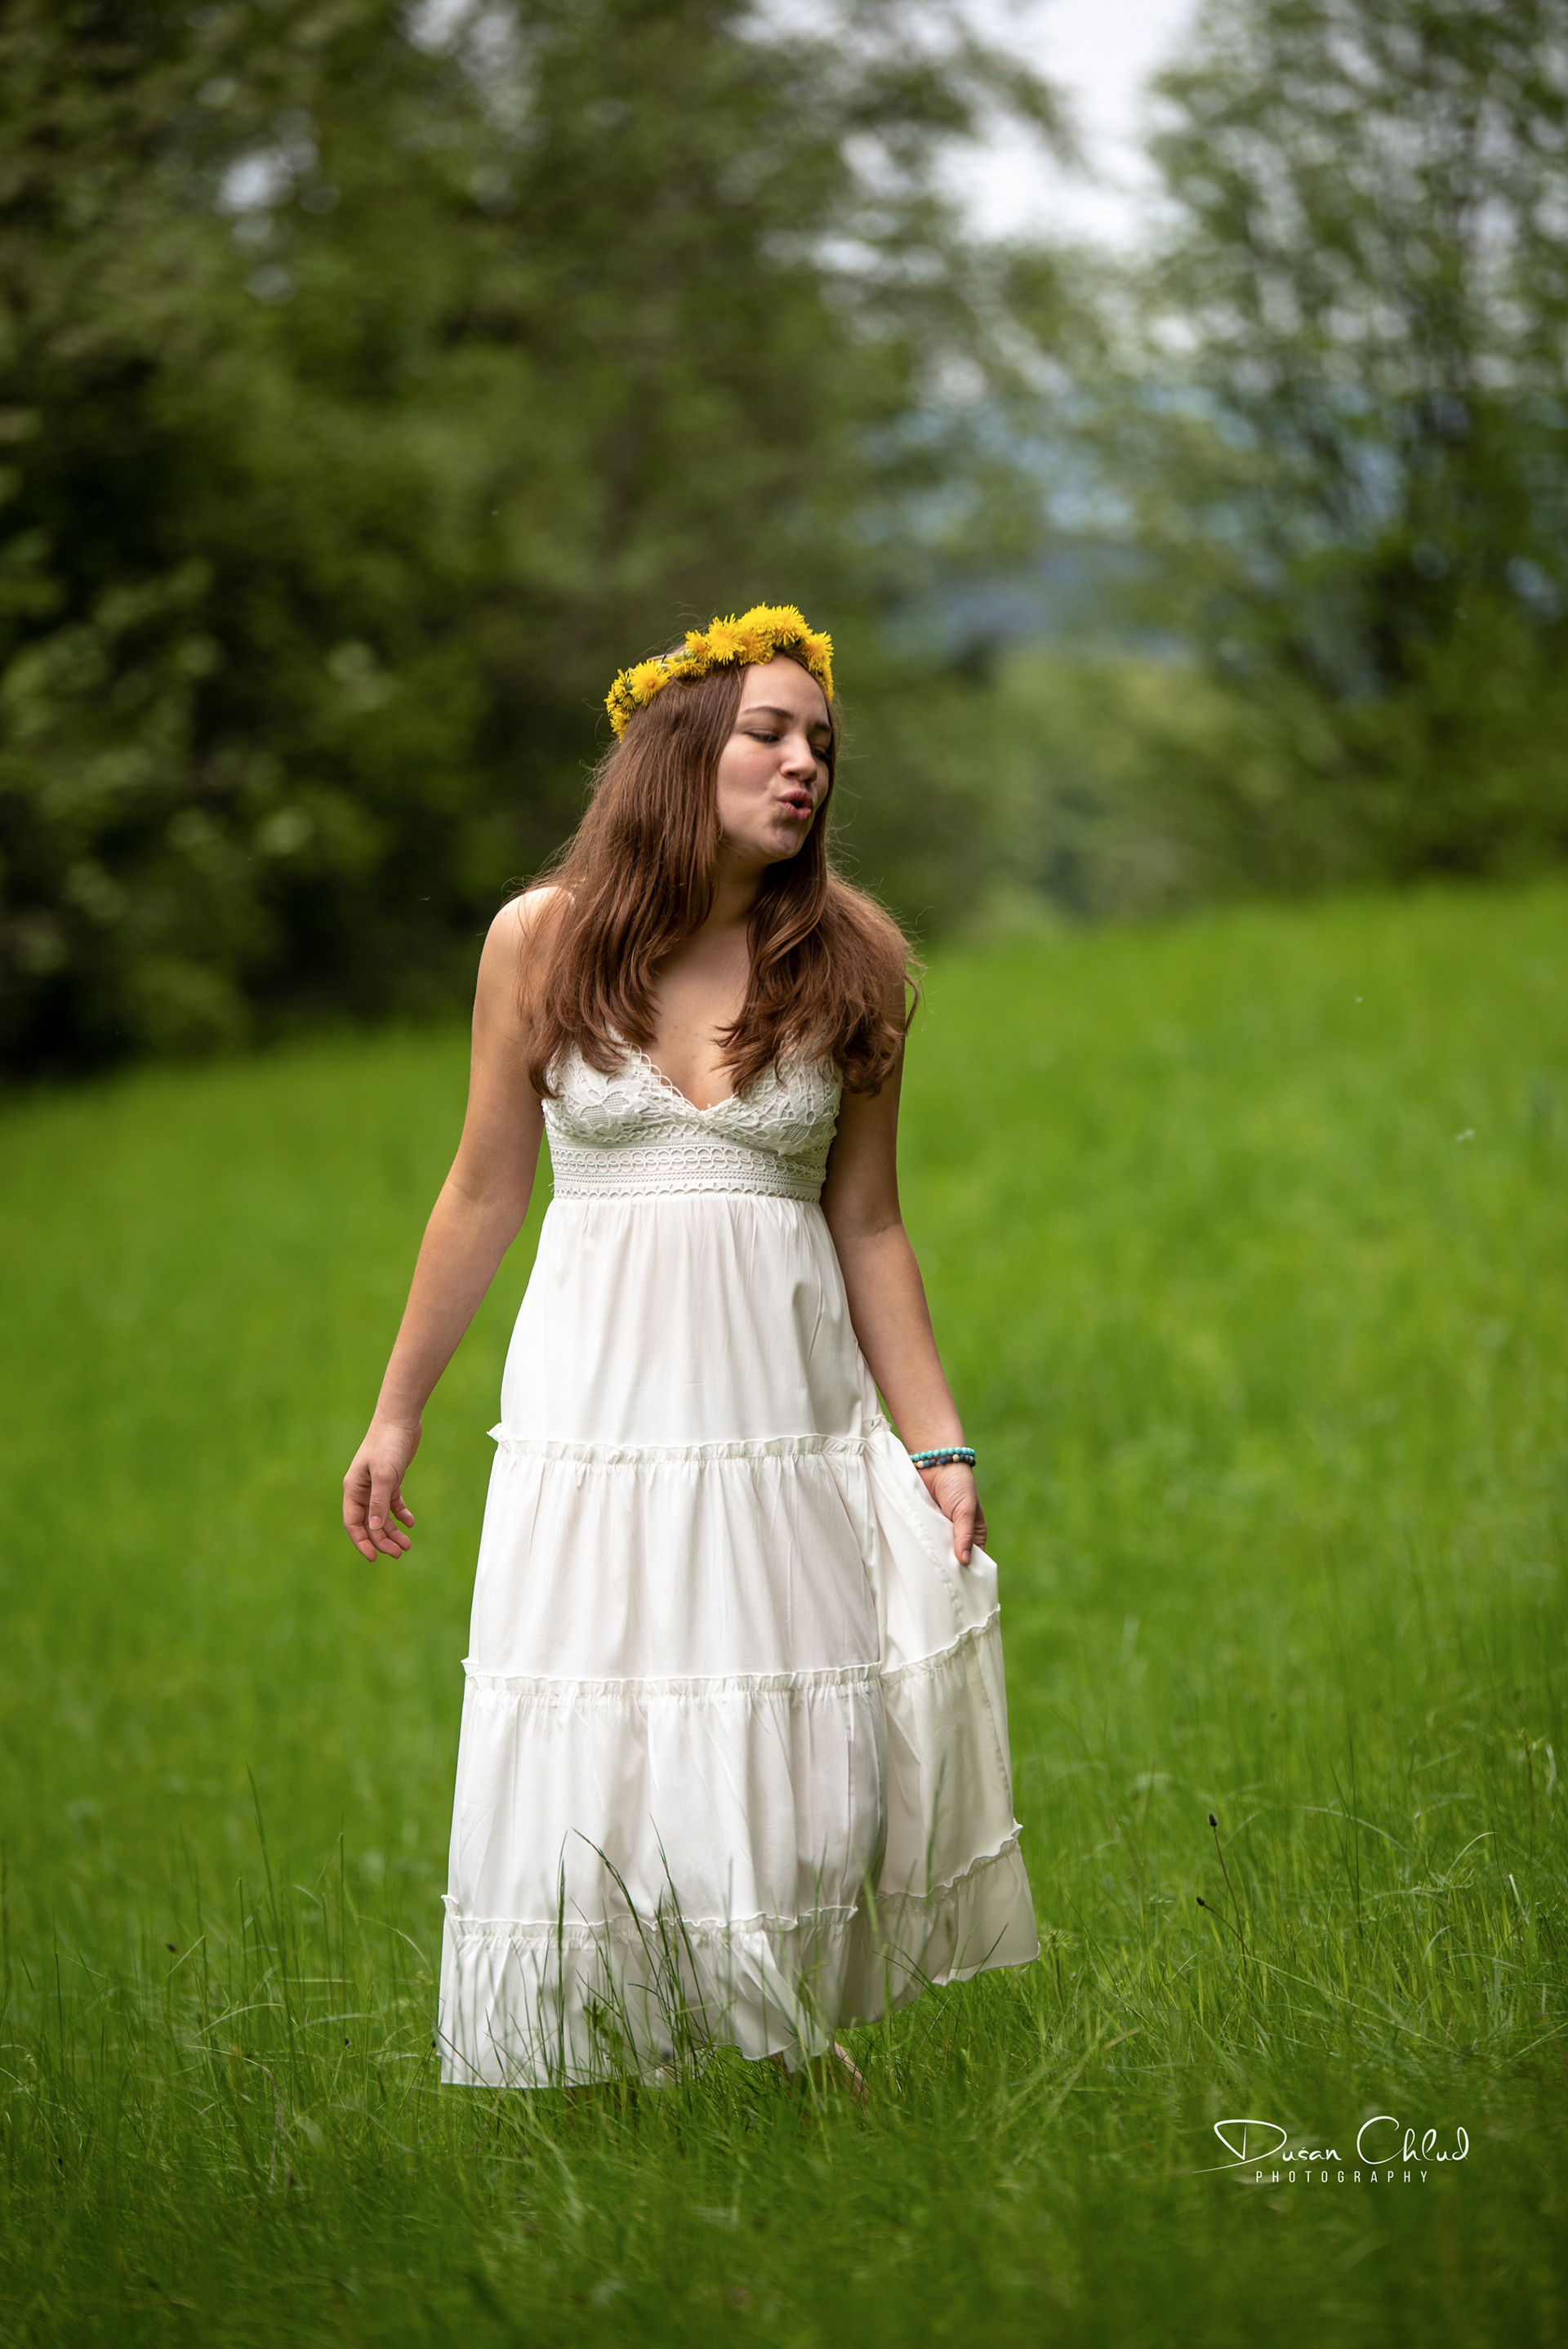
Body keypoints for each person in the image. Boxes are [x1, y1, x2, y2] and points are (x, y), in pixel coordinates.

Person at [343, 604, 1036, 2088]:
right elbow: (483, 1189)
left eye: (821, 746)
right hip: (598, 1420)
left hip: (781, 1422)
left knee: (805, 1743)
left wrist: (940, 1442)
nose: (805, 767)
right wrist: (397, 1413)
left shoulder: (854, 962)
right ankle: (627, 2057)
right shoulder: (540, 940)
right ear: (676, 753)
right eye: (769, 734)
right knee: (607, 1731)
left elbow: (871, 1227)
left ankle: (792, 2046)